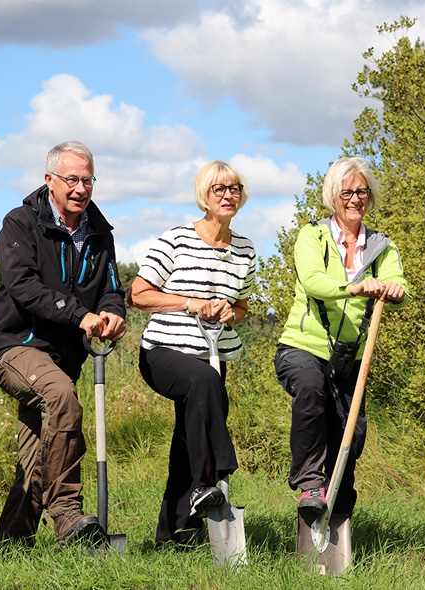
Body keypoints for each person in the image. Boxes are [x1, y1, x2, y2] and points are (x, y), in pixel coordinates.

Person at [0, 141, 127, 549]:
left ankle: (12, 545)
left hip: (65, 358)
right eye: (71, 179)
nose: (80, 188)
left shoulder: (100, 233)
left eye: (87, 180)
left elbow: (112, 290)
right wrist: (79, 315)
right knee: (62, 398)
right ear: (49, 180)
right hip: (15, 346)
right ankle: (66, 513)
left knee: (37, 455)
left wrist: (113, 313)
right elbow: (23, 286)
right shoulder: (20, 222)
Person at [128, 160, 255, 548]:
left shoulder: (245, 249)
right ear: (204, 195)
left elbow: (244, 307)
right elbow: (138, 293)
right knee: (204, 383)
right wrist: (191, 303)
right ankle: (210, 481)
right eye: (219, 189)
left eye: (234, 188)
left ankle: (176, 534)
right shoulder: (177, 239)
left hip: (213, 353)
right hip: (164, 352)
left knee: (188, 438)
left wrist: (229, 312)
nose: (228, 194)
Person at [274, 156, 409, 520]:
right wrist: (355, 287)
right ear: (333, 196)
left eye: (362, 191)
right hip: (301, 348)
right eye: (347, 192)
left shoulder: (382, 246)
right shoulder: (312, 235)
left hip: (349, 358)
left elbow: (400, 283)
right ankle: (308, 484)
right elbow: (313, 279)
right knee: (310, 387)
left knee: (352, 435)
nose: (355, 199)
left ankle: (337, 512)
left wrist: (394, 291)